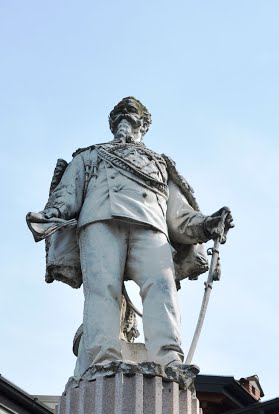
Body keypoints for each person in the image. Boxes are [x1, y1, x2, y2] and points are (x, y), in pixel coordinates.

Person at [27, 97, 234, 378]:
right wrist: (50, 213)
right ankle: (103, 359)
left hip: (151, 227)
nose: (125, 116)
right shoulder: (90, 155)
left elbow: (180, 216)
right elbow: (67, 194)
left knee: (162, 288)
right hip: (100, 221)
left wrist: (207, 224)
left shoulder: (160, 164)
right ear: (112, 123)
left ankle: (169, 359)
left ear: (144, 124)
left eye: (131, 112)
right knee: (102, 290)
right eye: (119, 113)